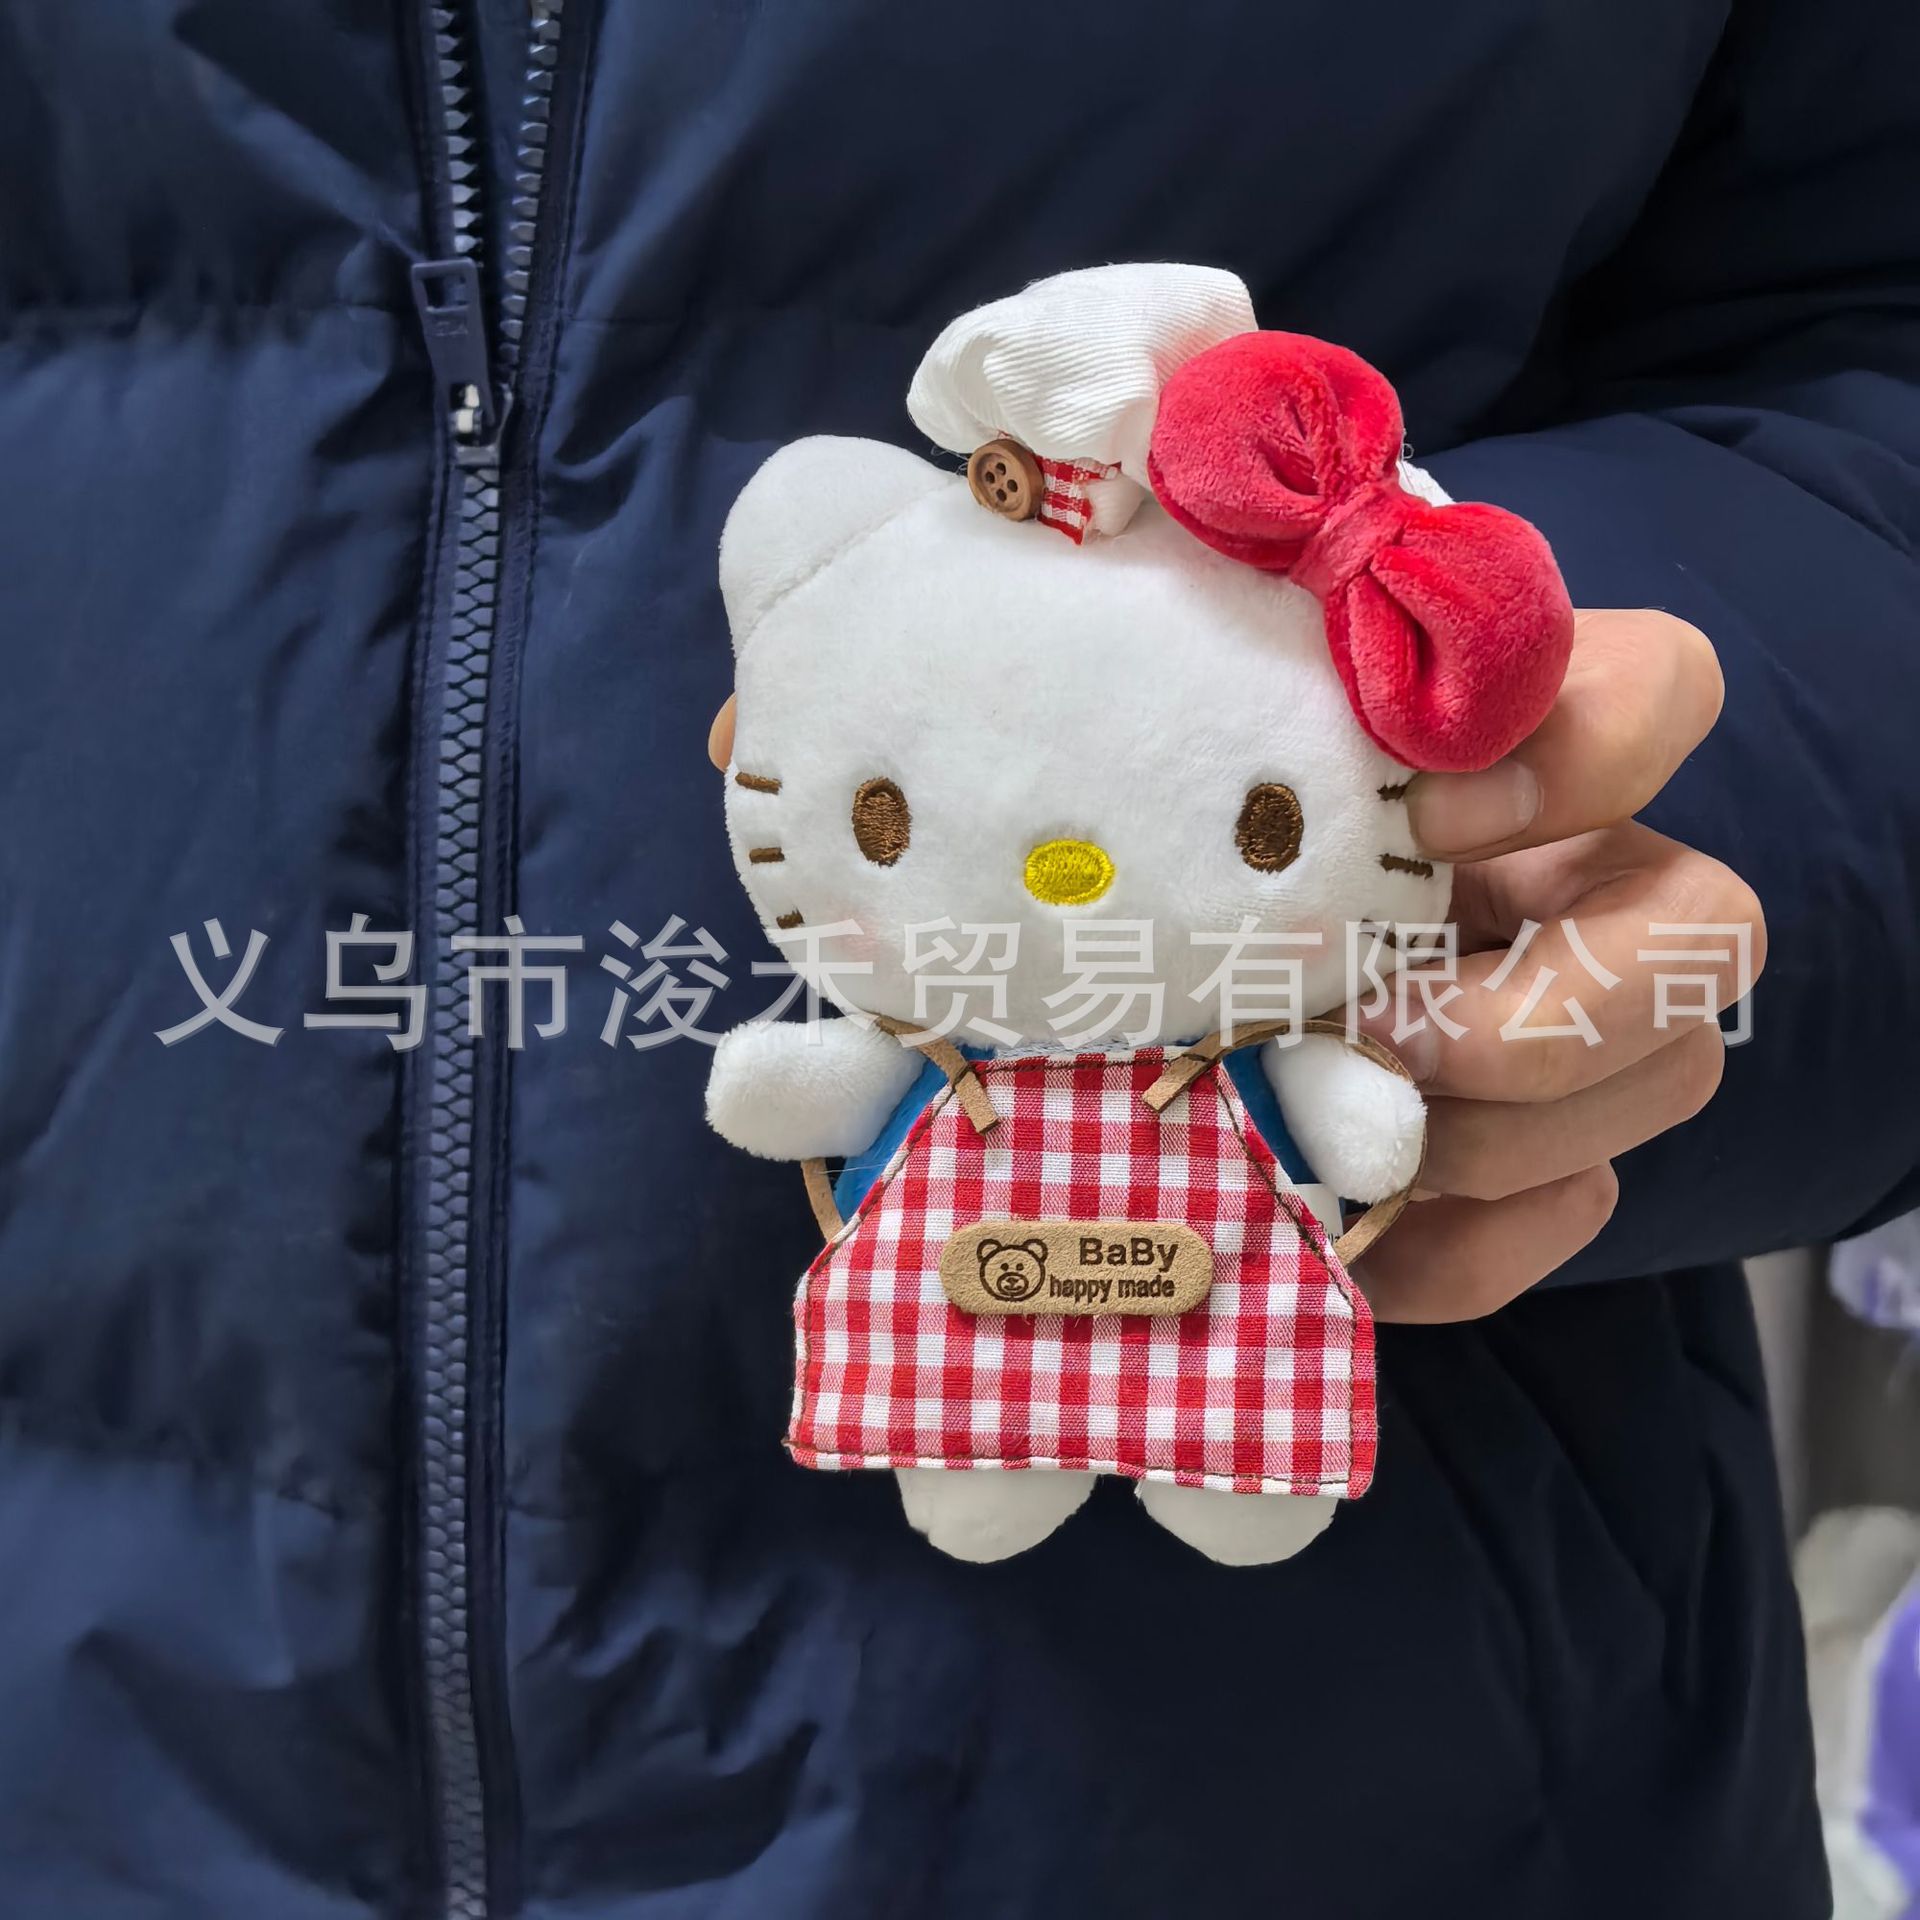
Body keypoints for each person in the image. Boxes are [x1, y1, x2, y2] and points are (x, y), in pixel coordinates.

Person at [0, 2, 1914, 1914]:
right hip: (99, 1724)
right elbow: (795, 1091)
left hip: (1340, 1772)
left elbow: (1862, 338)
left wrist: (1552, 795)